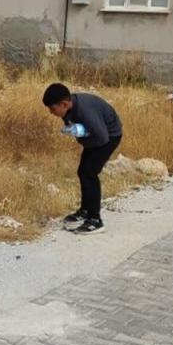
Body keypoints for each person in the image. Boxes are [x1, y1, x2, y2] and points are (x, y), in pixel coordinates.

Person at [43, 83, 123, 236]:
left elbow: (102, 138)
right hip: (96, 136)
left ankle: (95, 220)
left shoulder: (85, 112)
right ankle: (85, 211)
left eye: (53, 109)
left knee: (90, 174)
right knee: (82, 172)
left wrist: (82, 137)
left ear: (64, 104)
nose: (51, 113)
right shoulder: (68, 108)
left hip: (109, 136)